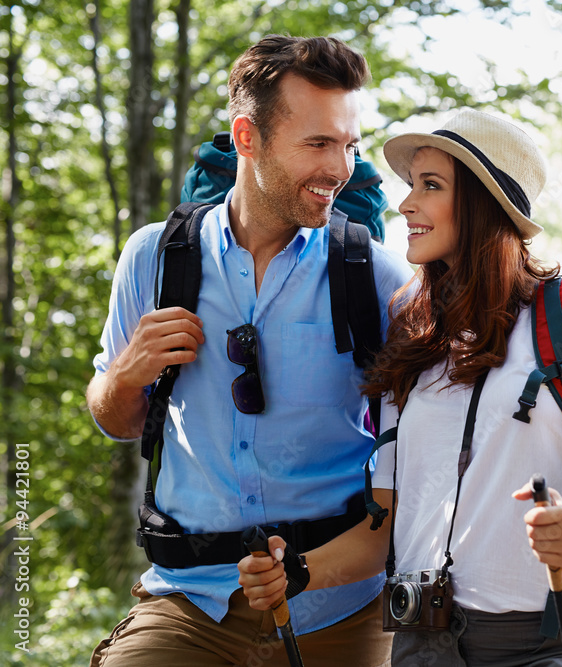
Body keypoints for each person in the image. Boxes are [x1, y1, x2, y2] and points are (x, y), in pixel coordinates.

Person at [238, 108, 562, 666]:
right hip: (420, 645)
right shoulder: (409, 334)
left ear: (484, 204)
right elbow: (383, 530)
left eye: (431, 186)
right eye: (411, 185)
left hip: (547, 643)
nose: (406, 204)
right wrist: (298, 572)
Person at [87, 35, 412, 667]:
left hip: (341, 606)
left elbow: (417, 462)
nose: (340, 168)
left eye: (348, 145)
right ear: (247, 137)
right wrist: (127, 375)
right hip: (191, 602)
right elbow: (116, 420)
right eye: (317, 143)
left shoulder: (373, 275)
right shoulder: (153, 258)